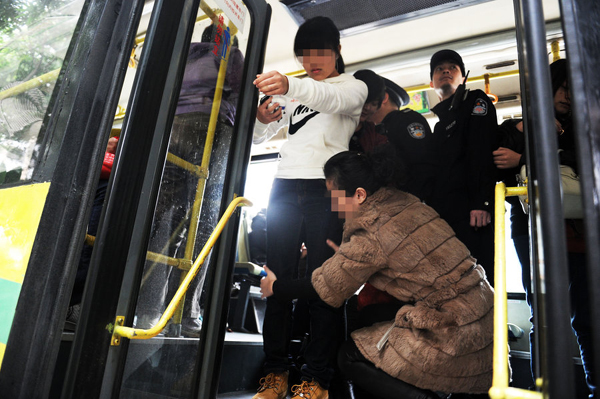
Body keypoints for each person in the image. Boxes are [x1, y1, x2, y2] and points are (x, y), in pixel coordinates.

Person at [260, 150, 495, 399]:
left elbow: (325, 286)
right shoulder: (406, 203)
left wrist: (275, 288)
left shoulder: (371, 230)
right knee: (367, 316)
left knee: (349, 357)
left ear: (360, 194)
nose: (331, 205)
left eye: (334, 196)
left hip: (456, 332)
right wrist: (349, 257)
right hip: (484, 314)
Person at [252, 16, 368, 399]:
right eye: (304, 54)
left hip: (326, 189)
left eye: (319, 51)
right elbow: (260, 136)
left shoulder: (352, 87)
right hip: (283, 186)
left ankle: (315, 378)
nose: (311, 60)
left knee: (324, 283)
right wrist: (262, 117)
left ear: (336, 50)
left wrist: (291, 85)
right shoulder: (295, 92)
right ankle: (275, 373)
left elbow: (328, 98)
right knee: (276, 280)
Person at [135, 20, 244, 337]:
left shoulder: (181, 57)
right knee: (203, 225)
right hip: (209, 130)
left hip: (172, 133)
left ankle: (145, 310)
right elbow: (240, 94)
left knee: (163, 219)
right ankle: (186, 314)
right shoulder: (228, 56)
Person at [495, 58, 596, 397]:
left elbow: (584, 161)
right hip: (532, 229)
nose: (566, 95)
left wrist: (525, 159)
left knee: (587, 316)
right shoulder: (519, 127)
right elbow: (497, 163)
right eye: (560, 86)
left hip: (580, 229)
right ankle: (546, 390)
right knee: (545, 317)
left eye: (572, 87)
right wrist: (533, 129)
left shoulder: (584, 125)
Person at [428, 49, 498, 286]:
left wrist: (482, 202)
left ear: (463, 78)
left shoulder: (475, 101)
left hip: (473, 214)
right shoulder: (438, 128)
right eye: (439, 69)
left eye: (452, 68)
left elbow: (482, 152)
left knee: (479, 282)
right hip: (444, 219)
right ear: (432, 82)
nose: (445, 71)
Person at [349, 69, 388, 153]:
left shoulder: (375, 135)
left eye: (374, 104)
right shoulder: (332, 123)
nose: (368, 107)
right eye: (365, 101)